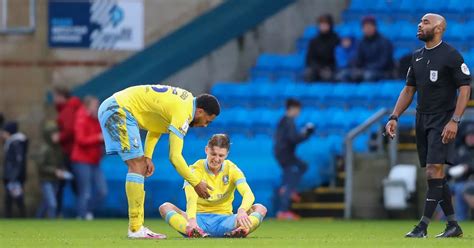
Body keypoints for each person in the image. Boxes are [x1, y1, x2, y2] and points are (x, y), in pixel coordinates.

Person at [385, 13, 471, 238]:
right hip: (421, 119)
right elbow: (408, 90)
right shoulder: (417, 57)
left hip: (443, 119)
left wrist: (455, 120)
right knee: (434, 175)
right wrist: (394, 117)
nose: (419, 25)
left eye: (425, 22)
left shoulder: (451, 55)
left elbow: (465, 88)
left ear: (439, 28)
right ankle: (453, 225)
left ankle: (422, 226)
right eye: (420, 21)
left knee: (434, 170)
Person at [98, 84, 220, 239]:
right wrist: (196, 182)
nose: (204, 125)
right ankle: (135, 229)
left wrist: (148, 156)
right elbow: (175, 157)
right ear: (200, 111)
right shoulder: (184, 112)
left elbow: (155, 126)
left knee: (139, 164)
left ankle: (136, 227)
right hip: (119, 110)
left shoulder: (184, 100)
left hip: (115, 106)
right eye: (206, 121)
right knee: (136, 165)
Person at [159, 134, 267, 238]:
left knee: (260, 208)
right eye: (213, 154)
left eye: (221, 155)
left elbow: (248, 194)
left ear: (227, 154)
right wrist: (192, 220)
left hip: (226, 221)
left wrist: (242, 210)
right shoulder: (195, 169)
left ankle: (242, 230)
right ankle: (192, 230)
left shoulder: (232, 169)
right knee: (165, 207)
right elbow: (191, 197)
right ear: (206, 150)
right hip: (198, 220)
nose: (216, 159)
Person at [273, 99, 314, 220]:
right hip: (286, 154)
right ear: (293, 109)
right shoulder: (289, 121)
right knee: (292, 176)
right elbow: (294, 138)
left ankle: (287, 189)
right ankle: (283, 210)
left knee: (302, 166)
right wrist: (306, 133)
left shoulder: (283, 120)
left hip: (282, 153)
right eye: (298, 110)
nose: (299, 113)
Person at [71, 96, 107, 220]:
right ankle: (82, 215)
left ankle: (86, 211)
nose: (97, 108)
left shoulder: (96, 119)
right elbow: (80, 140)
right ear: (88, 106)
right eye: (95, 105)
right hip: (81, 160)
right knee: (85, 191)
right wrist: (97, 138)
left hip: (94, 160)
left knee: (102, 191)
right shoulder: (81, 119)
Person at [53, 86, 82, 216]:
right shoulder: (71, 108)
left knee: (63, 182)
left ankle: (59, 212)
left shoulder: (68, 109)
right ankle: (82, 212)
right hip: (71, 151)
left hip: (68, 152)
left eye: (55, 97)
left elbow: (69, 129)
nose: (54, 100)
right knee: (74, 183)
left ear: (61, 97)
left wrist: (59, 136)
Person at [35, 121, 67, 219]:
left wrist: (62, 171)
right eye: (54, 134)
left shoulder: (58, 148)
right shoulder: (44, 149)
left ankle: (37, 221)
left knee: (45, 203)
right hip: (46, 180)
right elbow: (40, 166)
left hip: (55, 180)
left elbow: (60, 163)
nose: (57, 136)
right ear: (49, 135)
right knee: (52, 204)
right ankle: (52, 225)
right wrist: (54, 171)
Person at [353, 16, 393, 81]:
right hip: (366, 70)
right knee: (348, 75)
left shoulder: (384, 41)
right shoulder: (361, 42)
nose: (367, 29)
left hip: (382, 72)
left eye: (369, 26)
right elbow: (358, 60)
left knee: (368, 76)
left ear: (375, 27)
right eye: (365, 27)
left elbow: (384, 62)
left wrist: (367, 68)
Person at [448, 122, 474, 221]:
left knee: (460, 189)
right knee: (441, 189)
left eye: (473, 136)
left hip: (469, 181)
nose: (471, 138)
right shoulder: (459, 151)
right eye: (469, 136)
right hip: (457, 181)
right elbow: (449, 170)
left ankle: (461, 218)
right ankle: (444, 218)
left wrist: (469, 167)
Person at [2, 121, 28, 218]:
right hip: (13, 176)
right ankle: (14, 217)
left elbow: (18, 161)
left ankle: (22, 217)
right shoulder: (11, 142)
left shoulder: (15, 143)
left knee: (16, 199)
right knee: (11, 199)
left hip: (14, 177)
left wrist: (13, 177)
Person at [305, 14, 340, 82]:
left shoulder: (336, 40)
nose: (323, 26)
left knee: (327, 76)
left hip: (330, 69)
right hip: (316, 68)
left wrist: (329, 68)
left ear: (330, 25)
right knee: (308, 74)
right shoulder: (314, 41)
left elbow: (337, 58)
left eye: (325, 24)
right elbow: (309, 59)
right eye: (321, 24)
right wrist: (318, 68)